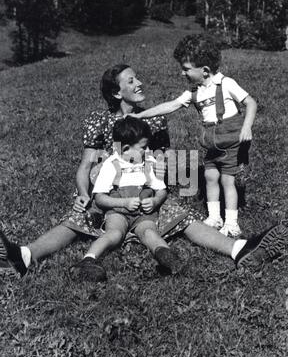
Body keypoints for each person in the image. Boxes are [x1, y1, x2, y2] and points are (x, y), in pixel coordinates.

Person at [0, 64, 286, 279]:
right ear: (116, 92)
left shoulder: (156, 120)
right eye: (131, 80)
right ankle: (24, 256)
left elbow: (163, 162)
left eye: (137, 78)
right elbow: (86, 165)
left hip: (147, 192)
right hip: (107, 195)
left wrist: (156, 176)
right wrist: (84, 194)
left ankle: (240, 250)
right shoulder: (97, 120)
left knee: (183, 215)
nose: (140, 83)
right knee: (75, 217)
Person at [133, 34, 257, 237]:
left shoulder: (226, 83)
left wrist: (247, 127)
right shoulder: (194, 92)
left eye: (186, 69)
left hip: (231, 139)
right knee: (209, 176)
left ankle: (232, 222)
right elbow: (170, 105)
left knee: (227, 180)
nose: (183, 73)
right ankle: (215, 217)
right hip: (210, 141)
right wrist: (139, 115)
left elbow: (251, 102)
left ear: (205, 70)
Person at [71, 117, 179, 282]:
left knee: (149, 232)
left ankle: (167, 257)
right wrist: (123, 203)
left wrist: (156, 201)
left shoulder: (149, 161)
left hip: (143, 213)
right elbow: (100, 198)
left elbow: (161, 190)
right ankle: (88, 261)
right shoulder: (111, 164)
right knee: (114, 232)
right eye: (143, 147)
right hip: (118, 211)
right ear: (127, 149)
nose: (148, 149)